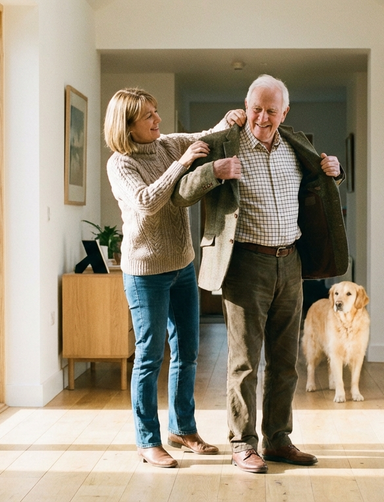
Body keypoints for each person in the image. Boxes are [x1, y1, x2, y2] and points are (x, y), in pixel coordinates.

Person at [172, 75, 348, 474]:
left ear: (284, 112)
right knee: (245, 362)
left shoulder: (297, 145)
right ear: (245, 105)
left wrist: (335, 173)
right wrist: (213, 171)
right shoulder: (223, 143)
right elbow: (182, 192)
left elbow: (320, 186)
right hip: (244, 264)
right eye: (256, 108)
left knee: (286, 361)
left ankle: (278, 440)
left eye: (271, 110)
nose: (262, 117)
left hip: (291, 263)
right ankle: (242, 443)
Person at [103, 88, 245, 469]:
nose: (157, 121)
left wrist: (230, 120)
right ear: (128, 125)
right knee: (149, 356)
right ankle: (147, 441)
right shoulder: (120, 163)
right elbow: (148, 202)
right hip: (145, 272)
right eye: (148, 116)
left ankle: (182, 429)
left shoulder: (166, 144)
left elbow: (206, 136)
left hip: (182, 264)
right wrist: (181, 164)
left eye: (156, 112)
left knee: (187, 351)